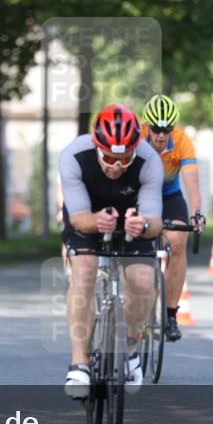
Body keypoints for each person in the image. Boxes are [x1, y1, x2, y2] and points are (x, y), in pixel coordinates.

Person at [60, 104, 164, 399]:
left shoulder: (149, 160)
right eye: (107, 158)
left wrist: (142, 224)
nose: (115, 166)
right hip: (88, 219)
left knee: (144, 280)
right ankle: (79, 362)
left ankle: (130, 346)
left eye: (123, 159)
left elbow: (155, 222)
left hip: (133, 223)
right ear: (96, 146)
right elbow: (77, 217)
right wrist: (97, 221)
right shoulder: (73, 156)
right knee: (84, 273)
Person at [139, 94, 205, 342]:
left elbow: (192, 182)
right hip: (142, 196)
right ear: (147, 126)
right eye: (156, 129)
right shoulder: (136, 140)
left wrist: (196, 214)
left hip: (169, 197)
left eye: (166, 129)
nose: (160, 135)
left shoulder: (182, 141)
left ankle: (170, 316)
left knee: (178, 242)